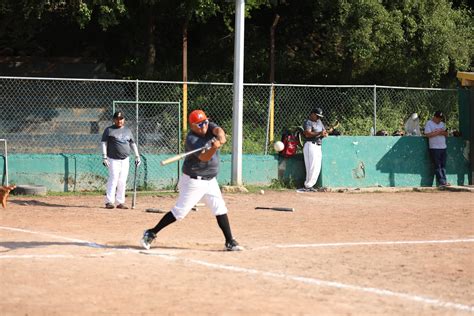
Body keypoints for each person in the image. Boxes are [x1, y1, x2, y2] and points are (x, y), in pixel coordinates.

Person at [140, 109, 243, 251]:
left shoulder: (210, 127)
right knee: (180, 212)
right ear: (193, 126)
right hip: (194, 181)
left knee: (220, 209)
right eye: (200, 124)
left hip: (210, 180)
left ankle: (230, 241)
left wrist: (220, 138)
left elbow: (219, 131)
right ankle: (151, 232)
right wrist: (214, 148)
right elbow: (205, 157)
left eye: (205, 122)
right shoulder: (191, 139)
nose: (204, 126)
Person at [101, 111, 141, 209]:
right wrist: (104, 156)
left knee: (122, 180)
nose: (120, 121)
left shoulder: (127, 130)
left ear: (124, 120)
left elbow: (132, 143)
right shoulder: (109, 130)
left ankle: (120, 202)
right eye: (117, 119)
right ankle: (109, 202)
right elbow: (103, 143)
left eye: (121, 119)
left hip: (125, 159)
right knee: (113, 178)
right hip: (113, 159)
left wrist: (137, 156)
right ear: (114, 120)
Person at [298, 108, 328, 192]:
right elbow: (307, 134)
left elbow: (323, 131)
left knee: (317, 167)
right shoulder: (308, 122)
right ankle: (307, 186)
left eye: (319, 116)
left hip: (318, 145)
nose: (318, 118)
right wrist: (320, 133)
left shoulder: (319, 122)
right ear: (312, 114)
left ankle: (310, 186)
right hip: (310, 145)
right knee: (311, 166)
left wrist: (325, 133)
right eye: (317, 116)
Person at [424, 110, 450, 187]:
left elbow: (446, 134)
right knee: (438, 165)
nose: (439, 120)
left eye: (440, 118)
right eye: (438, 118)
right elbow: (428, 134)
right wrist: (438, 133)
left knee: (443, 165)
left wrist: (441, 132)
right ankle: (442, 182)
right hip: (434, 148)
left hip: (443, 147)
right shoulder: (429, 123)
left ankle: (444, 181)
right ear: (434, 117)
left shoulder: (442, 124)